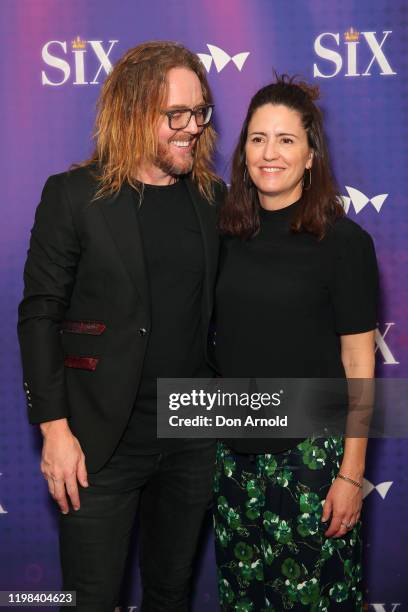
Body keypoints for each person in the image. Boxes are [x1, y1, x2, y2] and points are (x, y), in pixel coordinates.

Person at [17, 41, 226, 611]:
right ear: (134, 111)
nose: (192, 127)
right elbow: (40, 314)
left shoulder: (211, 198)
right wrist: (54, 430)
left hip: (192, 440)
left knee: (169, 592)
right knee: (90, 599)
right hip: (97, 446)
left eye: (199, 111)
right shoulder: (74, 196)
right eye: (175, 115)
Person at [213, 76, 378, 611]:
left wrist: (351, 474)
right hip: (234, 462)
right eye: (258, 139)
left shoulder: (344, 243)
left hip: (311, 463)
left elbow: (358, 362)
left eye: (286, 140)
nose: (270, 153)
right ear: (243, 152)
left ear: (311, 155)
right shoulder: (223, 236)